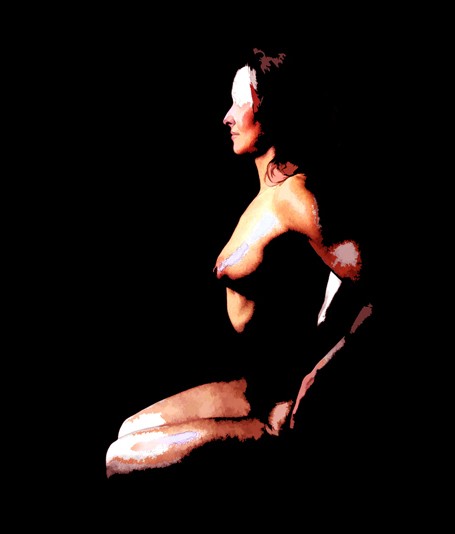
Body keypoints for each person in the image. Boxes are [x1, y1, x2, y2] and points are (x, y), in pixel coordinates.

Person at [105, 43, 376, 482]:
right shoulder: (268, 192)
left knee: (119, 459)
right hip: (252, 385)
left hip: (276, 404)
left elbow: (376, 290)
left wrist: (319, 375)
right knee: (126, 431)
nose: (227, 117)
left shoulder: (296, 198)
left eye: (239, 104)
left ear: (271, 111)